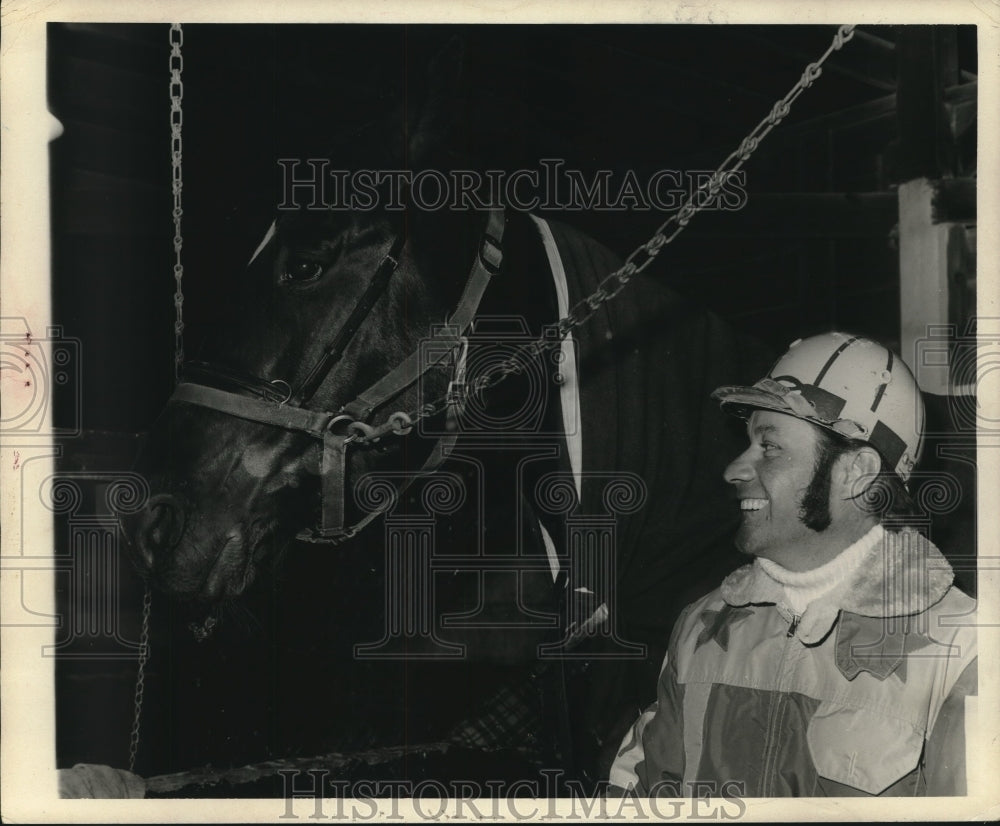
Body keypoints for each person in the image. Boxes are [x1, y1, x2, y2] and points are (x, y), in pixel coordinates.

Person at [608, 332, 977, 797]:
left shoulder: (962, 649)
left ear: (856, 472)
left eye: (771, 447)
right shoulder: (701, 628)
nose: (734, 470)